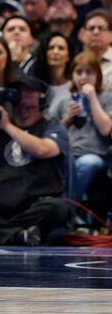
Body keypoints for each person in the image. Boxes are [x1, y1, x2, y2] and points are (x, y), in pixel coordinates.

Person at [0, 76, 70, 245]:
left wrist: (7, 126)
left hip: (32, 205)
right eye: (18, 94)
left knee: (59, 208)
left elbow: (44, 149)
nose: (22, 100)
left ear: (40, 99)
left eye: (28, 94)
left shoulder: (52, 126)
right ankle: (18, 236)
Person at [52, 52, 112, 202]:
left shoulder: (106, 99)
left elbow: (106, 129)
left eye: (89, 72)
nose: (83, 77)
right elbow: (50, 133)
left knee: (86, 164)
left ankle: (68, 209)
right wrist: (67, 119)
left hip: (94, 154)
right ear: (72, 75)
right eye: (79, 72)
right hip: (67, 153)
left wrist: (92, 99)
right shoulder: (63, 100)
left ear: (97, 75)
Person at [31, 32, 74, 117]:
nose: (55, 52)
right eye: (51, 48)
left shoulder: (75, 86)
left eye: (61, 48)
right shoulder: (36, 87)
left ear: (68, 56)